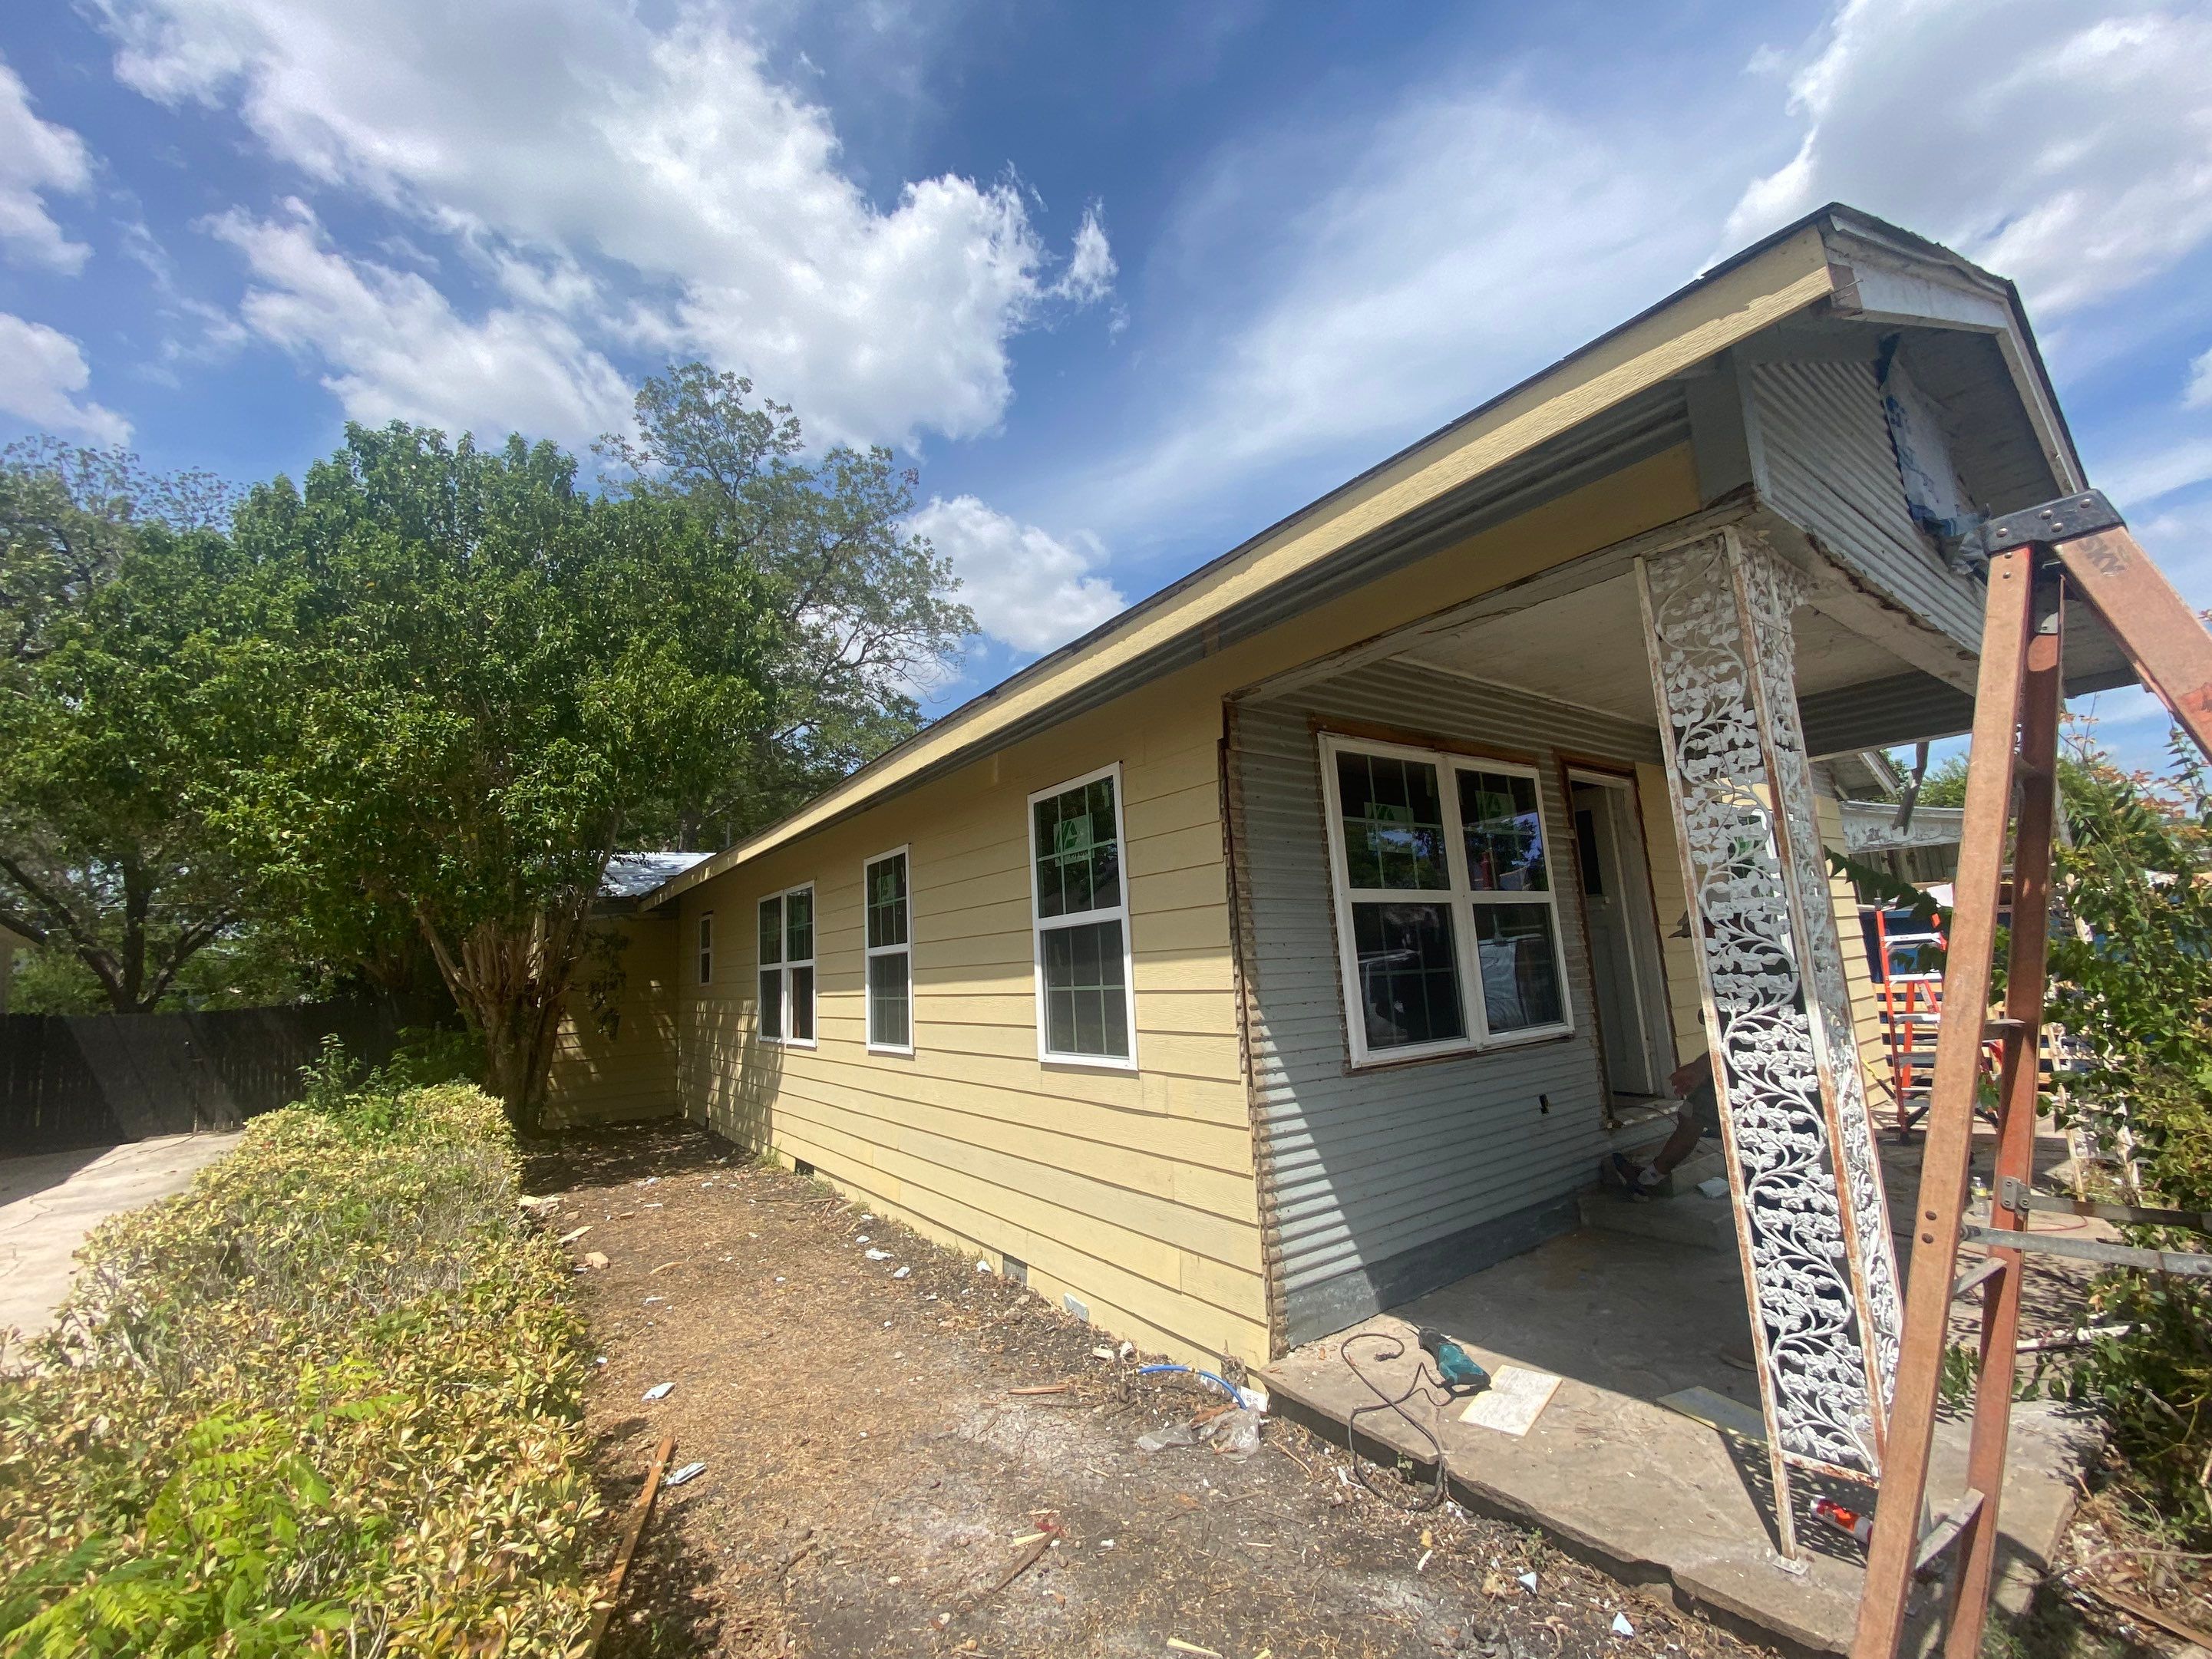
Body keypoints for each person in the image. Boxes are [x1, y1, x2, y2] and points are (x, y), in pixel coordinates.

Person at [1609, 1050, 1719, 1200]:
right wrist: (1701, 1069)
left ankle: (1646, 1181)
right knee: (1688, 1116)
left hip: (1743, 1079)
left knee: (1689, 1122)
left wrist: (1700, 1067)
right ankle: (1649, 1177)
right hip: (1719, 1073)